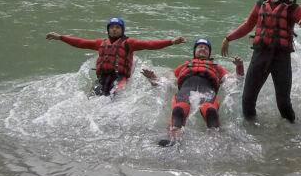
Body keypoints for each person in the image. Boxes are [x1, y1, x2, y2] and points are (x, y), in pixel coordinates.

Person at [220, 0, 301, 122]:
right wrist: (228, 38)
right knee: (247, 101)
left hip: (281, 58)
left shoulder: (293, 8)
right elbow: (248, 25)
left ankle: (291, 135)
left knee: (284, 104)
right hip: (260, 56)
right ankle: (252, 133)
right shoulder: (261, 4)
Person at [45, 18, 185, 97]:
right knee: (91, 99)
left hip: (120, 78)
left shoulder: (129, 43)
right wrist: (61, 37)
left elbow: (150, 44)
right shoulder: (100, 43)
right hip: (102, 78)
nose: (114, 29)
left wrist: (171, 42)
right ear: (108, 30)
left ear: (122, 30)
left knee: (113, 97)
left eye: (118, 27)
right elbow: (81, 42)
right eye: (111, 27)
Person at [141, 38, 244, 144]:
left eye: (206, 48)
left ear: (209, 53)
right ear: (194, 51)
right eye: (200, 47)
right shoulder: (184, 66)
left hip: (208, 93)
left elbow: (235, 81)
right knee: (178, 109)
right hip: (185, 92)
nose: (203, 49)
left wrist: (239, 67)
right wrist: (153, 78)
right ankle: (173, 138)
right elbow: (167, 83)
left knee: (210, 111)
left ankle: (215, 142)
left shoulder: (217, 68)